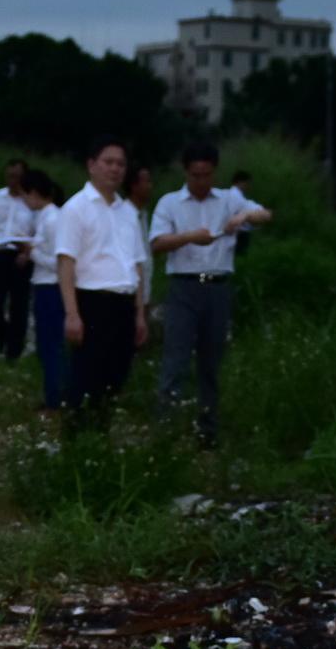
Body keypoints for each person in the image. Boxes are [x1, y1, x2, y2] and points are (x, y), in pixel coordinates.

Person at [150, 141, 273, 445]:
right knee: (175, 359)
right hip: (183, 286)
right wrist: (190, 237)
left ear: (214, 172)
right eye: (195, 175)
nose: (201, 181)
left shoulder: (230, 200)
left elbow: (265, 215)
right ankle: (165, 431)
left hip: (217, 288)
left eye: (206, 175)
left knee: (211, 362)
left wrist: (242, 218)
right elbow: (156, 244)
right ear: (186, 172)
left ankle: (207, 431)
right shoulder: (170, 203)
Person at [56, 137, 148, 412]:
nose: (115, 169)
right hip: (92, 302)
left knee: (115, 377)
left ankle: (99, 438)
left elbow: (138, 264)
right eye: (108, 162)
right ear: (92, 165)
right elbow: (65, 263)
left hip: (124, 303)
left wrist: (140, 314)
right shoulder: (76, 207)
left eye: (120, 163)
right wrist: (72, 314)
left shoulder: (128, 212)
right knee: (86, 377)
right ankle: (77, 440)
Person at [20, 168, 70, 412]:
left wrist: (33, 252)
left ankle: (56, 396)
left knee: (52, 345)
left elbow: (61, 261)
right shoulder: (45, 218)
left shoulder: (53, 220)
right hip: (43, 286)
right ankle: (53, 393)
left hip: (52, 287)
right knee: (45, 344)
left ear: (34, 193)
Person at [0, 156, 30, 361]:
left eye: (17, 176)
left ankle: (14, 350)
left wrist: (27, 253)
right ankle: (3, 335)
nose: (13, 181)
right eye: (10, 176)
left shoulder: (31, 201)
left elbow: (39, 232)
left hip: (21, 253)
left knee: (18, 305)